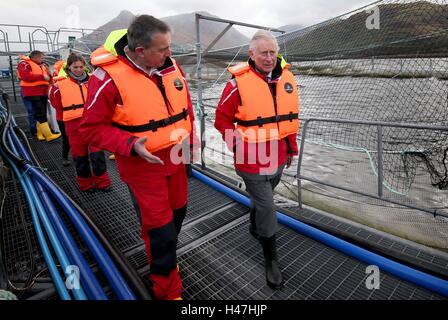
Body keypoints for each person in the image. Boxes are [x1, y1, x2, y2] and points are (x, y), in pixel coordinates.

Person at [79, 15, 198, 300]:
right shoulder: (106, 78)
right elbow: (90, 129)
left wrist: (192, 140)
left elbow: (186, 107)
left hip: (177, 157)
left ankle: (165, 257)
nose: (170, 54)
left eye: (170, 47)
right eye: (163, 49)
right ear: (140, 51)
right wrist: (130, 144)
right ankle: (167, 289)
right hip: (143, 165)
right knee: (160, 229)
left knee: (178, 213)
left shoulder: (171, 66)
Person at [214, 30, 300, 289]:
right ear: (251, 54)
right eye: (263, 52)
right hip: (251, 161)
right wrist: (237, 146)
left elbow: (290, 121)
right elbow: (222, 120)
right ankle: (271, 260)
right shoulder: (236, 83)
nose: (269, 57)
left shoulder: (287, 79)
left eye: (273, 52)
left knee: (263, 203)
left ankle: (255, 224)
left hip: (278, 157)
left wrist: (291, 150)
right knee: (267, 207)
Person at [49, 53, 111, 192]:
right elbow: (56, 104)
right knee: (80, 156)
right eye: (75, 67)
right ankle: (86, 184)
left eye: (81, 66)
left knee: (98, 155)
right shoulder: (58, 86)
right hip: (73, 125)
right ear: (69, 67)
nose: (78, 69)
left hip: (93, 123)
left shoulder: (94, 81)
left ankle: (103, 182)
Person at [17, 51, 60, 142]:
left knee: (40, 113)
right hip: (32, 92)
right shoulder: (24, 64)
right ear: (35, 57)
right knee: (40, 113)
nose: (42, 59)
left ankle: (40, 134)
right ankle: (48, 135)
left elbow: (48, 77)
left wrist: (49, 76)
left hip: (42, 92)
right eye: (41, 57)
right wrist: (42, 76)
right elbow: (26, 76)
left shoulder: (42, 65)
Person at [49, 60, 70, 166]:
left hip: (78, 117)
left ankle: (81, 157)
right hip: (63, 118)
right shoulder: (57, 87)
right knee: (66, 138)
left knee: (82, 139)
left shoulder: (80, 84)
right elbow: (55, 104)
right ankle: (64, 157)